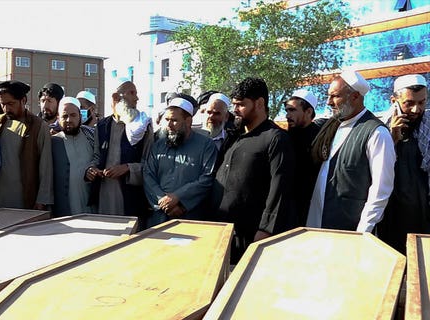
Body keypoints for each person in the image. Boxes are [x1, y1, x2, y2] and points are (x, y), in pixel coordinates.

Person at [212, 77, 296, 262]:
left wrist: (265, 230)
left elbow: (279, 189)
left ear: (259, 103)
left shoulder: (276, 138)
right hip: (223, 232)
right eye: (234, 105)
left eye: (241, 105)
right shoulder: (235, 137)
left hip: (252, 236)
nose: (236, 110)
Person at [307, 70, 395, 232]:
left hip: (351, 230)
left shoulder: (377, 133)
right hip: (317, 223)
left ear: (355, 96)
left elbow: (381, 189)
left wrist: (363, 232)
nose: (329, 102)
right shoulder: (333, 126)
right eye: (329, 96)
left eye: (335, 96)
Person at [85, 79, 153, 229]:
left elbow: (150, 165)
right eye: (131, 93)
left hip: (131, 195)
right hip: (105, 194)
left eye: (136, 93)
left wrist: (128, 168)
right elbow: (97, 156)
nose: (136, 98)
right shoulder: (102, 126)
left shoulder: (143, 126)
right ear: (116, 98)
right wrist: (92, 169)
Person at [144, 97, 217, 227]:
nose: (169, 125)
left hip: (191, 216)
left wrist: (179, 200)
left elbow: (207, 179)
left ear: (188, 121)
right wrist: (163, 200)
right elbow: (148, 175)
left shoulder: (206, 145)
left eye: (174, 120)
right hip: (160, 215)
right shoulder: (158, 146)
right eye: (167, 120)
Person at [378, 74, 429, 253]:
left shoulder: (428, 122)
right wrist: (391, 140)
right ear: (394, 100)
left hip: (423, 204)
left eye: (422, 102)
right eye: (409, 103)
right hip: (392, 208)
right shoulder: (380, 128)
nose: (416, 110)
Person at [0, 80, 53, 210]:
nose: (7, 108)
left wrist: (42, 199)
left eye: (11, 103)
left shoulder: (38, 126)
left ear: (23, 100)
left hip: (26, 197)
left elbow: (46, 166)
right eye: (3, 104)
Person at [51, 97, 96, 216]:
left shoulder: (92, 137)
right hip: (64, 208)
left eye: (73, 115)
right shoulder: (53, 142)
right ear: (58, 118)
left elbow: (99, 159)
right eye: (64, 116)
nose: (69, 120)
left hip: (91, 205)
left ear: (80, 117)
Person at [284, 89, 323, 225]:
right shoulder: (284, 137)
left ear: (308, 112)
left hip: (311, 207)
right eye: (287, 111)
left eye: (292, 110)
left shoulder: (321, 138)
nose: (287, 115)